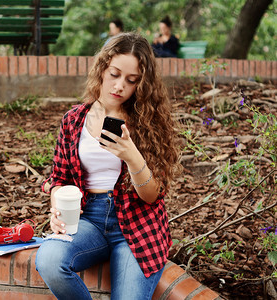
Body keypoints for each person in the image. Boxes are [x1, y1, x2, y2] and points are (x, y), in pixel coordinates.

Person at [35, 32, 181, 300]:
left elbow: (151, 196)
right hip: (87, 219)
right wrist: (56, 205)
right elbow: (58, 178)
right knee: (49, 261)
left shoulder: (148, 122)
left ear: (141, 84)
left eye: (131, 80)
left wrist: (132, 155)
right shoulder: (74, 120)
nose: (120, 85)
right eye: (114, 74)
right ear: (102, 68)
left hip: (137, 225)